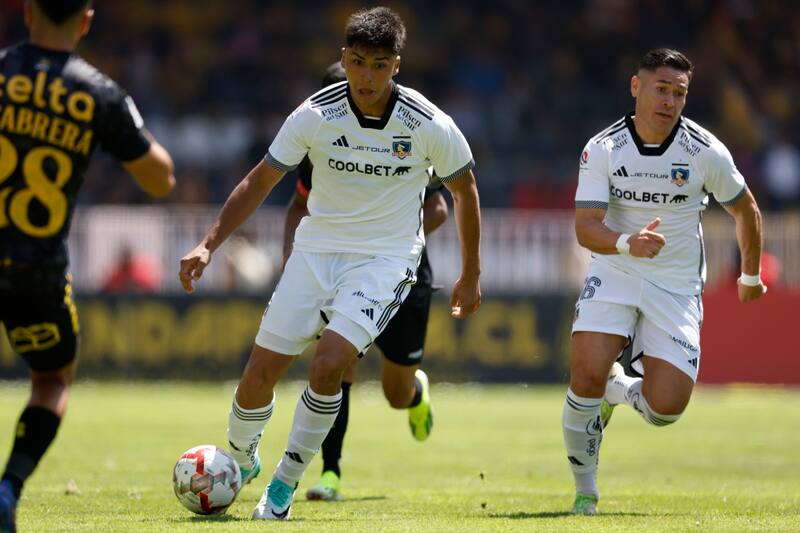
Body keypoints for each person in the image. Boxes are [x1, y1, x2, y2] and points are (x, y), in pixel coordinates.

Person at [179, 6, 481, 521]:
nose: (367, 77)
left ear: (397, 67)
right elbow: (260, 181)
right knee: (258, 375)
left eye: (380, 66)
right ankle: (240, 459)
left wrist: (471, 272)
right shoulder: (316, 115)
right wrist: (210, 243)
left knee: (329, 364)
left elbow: (464, 189)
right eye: (359, 62)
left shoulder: (428, 123)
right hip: (316, 253)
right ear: (344, 57)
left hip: (385, 261)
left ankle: (284, 485)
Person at [564, 48, 766, 516]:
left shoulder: (704, 151)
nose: (670, 100)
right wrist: (625, 244)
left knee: (665, 410)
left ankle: (621, 390)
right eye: (661, 89)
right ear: (636, 87)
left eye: (680, 93)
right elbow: (585, 227)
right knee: (586, 373)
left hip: (674, 286)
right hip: (615, 269)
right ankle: (585, 492)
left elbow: (746, 209)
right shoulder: (603, 148)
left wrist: (750, 274)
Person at [0, 1, 176, 531]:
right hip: (36, 268)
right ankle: (7, 489)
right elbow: (160, 179)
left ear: (28, 12)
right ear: (86, 21)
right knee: (51, 381)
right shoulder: (97, 93)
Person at [282, 61, 449, 502]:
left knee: (395, 394)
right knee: (336, 364)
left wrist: (385, 247)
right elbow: (297, 207)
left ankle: (415, 394)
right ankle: (330, 473)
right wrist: (293, 262)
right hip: (338, 269)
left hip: (401, 275)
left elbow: (438, 209)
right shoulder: (320, 144)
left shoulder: (399, 140)